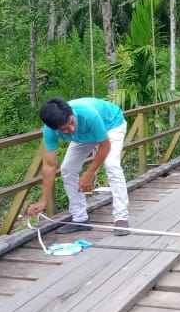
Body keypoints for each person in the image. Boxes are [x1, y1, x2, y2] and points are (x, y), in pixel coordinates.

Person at [26, 97, 130, 236]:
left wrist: (89, 174)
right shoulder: (49, 131)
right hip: (83, 136)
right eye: (65, 129)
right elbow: (49, 166)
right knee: (67, 169)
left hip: (111, 125)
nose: (71, 128)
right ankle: (80, 218)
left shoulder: (88, 114)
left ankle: (121, 218)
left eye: (71, 122)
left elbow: (104, 146)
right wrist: (43, 200)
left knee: (112, 165)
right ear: (55, 129)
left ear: (72, 114)